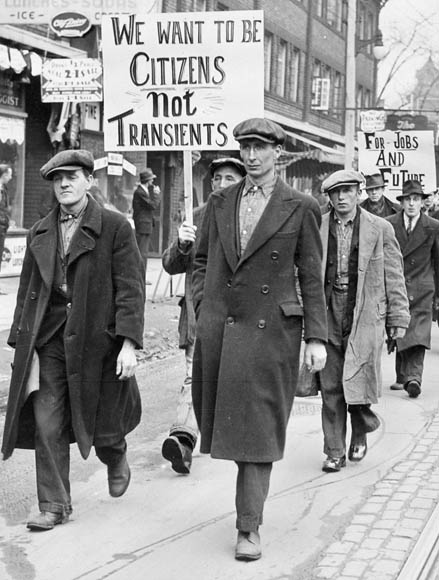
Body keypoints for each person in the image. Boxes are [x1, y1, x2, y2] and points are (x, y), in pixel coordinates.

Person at [191, 118, 328, 561]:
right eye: (245, 147)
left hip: (272, 332)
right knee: (226, 424)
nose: (251, 156)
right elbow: (201, 261)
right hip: (224, 330)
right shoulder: (220, 201)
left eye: (260, 147)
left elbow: (311, 276)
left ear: (278, 154)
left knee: (259, 432)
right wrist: (202, 307)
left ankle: (248, 526)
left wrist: (317, 337)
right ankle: (247, 515)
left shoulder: (301, 206)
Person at [1, 150, 145, 531]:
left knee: (103, 422)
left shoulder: (115, 227)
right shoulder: (40, 231)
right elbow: (28, 290)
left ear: (89, 181)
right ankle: (53, 504)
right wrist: (20, 342)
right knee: (47, 421)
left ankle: (115, 456)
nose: (64, 184)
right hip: (49, 342)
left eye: (72, 176)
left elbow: (131, 289)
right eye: (57, 178)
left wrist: (129, 343)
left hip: (99, 342)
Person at [318, 169, 410, 473]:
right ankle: (334, 450)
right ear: (329, 197)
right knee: (330, 385)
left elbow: (394, 274)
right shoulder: (317, 226)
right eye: (336, 193)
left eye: (348, 191)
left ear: (359, 193)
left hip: (367, 312)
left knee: (357, 380)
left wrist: (397, 316)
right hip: (328, 310)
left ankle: (359, 429)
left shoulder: (379, 228)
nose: (342, 197)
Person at [161, 157, 246, 475]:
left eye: (230, 178)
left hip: (240, 319)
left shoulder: (251, 221)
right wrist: (182, 245)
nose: (222, 184)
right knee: (195, 378)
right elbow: (171, 265)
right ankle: (183, 439)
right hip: (199, 318)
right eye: (217, 178)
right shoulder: (194, 220)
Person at [386, 179, 439, 397]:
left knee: (417, 335)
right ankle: (403, 376)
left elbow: (438, 261)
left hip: (422, 289)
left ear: (422, 202)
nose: (411, 204)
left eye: (415, 199)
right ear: (402, 202)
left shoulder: (433, 227)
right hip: (397, 287)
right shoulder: (389, 224)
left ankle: (413, 378)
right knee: (400, 329)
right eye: (407, 199)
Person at [132, 168, 161, 279]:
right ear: (148, 180)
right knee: (142, 253)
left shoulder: (143, 191)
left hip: (145, 224)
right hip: (143, 225)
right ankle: (140, 278)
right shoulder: (140, 192)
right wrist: (157, 195)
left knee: (143, 252)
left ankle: (141, 277)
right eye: (151, 179)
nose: (152, 182)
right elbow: (152, 206)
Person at [0, 164, 12, 272]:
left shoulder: (4, 189)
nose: (10, 177)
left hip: (2, 227)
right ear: (4, 175)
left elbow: (4, 208)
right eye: (9, 175)